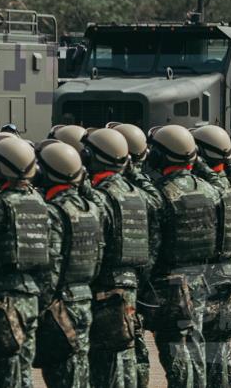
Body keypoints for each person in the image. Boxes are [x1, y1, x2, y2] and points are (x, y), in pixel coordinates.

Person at [0, 137, 49, 388]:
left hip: (3, 300)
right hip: (31, 296)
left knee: (5, 373)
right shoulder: (39, 202)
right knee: (21, 369)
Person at [144, 124, 219, 388]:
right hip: (200, 278)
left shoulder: (159, 194)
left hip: (169, 283)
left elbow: (153, 247)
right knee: (196, 344)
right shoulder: (210, 190)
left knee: (174, 352)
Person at [81, 128, 152, 388]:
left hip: (105, 288)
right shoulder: (138, 194)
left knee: (105, 364)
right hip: (131, 282)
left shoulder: (99, 197)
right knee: (126, 356)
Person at [36, 140, 103, 388]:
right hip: (84, 297)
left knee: (62, 376)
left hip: (60, 303)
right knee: (80, 371)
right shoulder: (92, 208)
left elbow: (51, 267)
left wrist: (41, 307)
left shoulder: (54, 212)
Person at [191, 125, 231, 388]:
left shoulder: (204, 190)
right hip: (230, 275)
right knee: (221, 346)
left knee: (204, 349)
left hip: (206, 276)